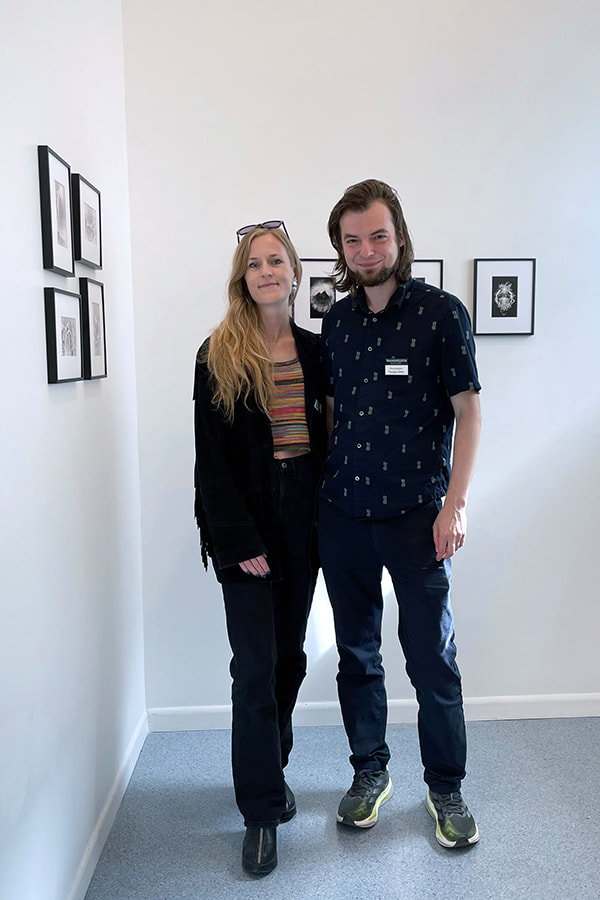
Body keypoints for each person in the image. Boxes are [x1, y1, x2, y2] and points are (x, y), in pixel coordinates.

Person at [318, 180, 482, 848]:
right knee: (356, 655)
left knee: (431, 659)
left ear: (400, 237)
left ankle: (446, 788)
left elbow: (469, 412)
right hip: (344, 516)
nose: (366, 250)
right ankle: (369, 772)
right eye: (352, 240)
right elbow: (334, 415)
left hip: (419, 519)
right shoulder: (336, 322)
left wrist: (455, 505)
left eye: (377, 236)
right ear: (340, 248)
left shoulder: (442, 314)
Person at [193, 221, 327, 876]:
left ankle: (271, 765)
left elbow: (333, 442)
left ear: (295, 273)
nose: (266, 271)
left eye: (277, 260)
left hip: (304, 519)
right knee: (253, 669)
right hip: (244, 522)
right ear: (242, 278)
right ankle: (262, 812)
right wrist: (238, 538)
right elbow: (210, 462)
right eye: (254, 263)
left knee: (289, 659)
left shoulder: (318, 351)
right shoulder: (217, 353)